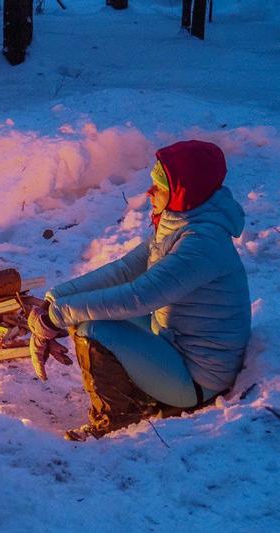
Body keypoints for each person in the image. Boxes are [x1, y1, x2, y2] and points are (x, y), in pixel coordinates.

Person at [28, 140, 251, 441]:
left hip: (199, 379)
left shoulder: (202, 242)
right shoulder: (181, 225)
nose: (149, 193)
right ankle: (141, 395)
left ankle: (116, 422)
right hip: (172, 344)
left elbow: (139, 297)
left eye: (159, 187)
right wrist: (54, 301)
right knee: (84, 316)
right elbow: (122, 272)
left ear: (183, 193)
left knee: (92, 328)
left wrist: (56, 318)